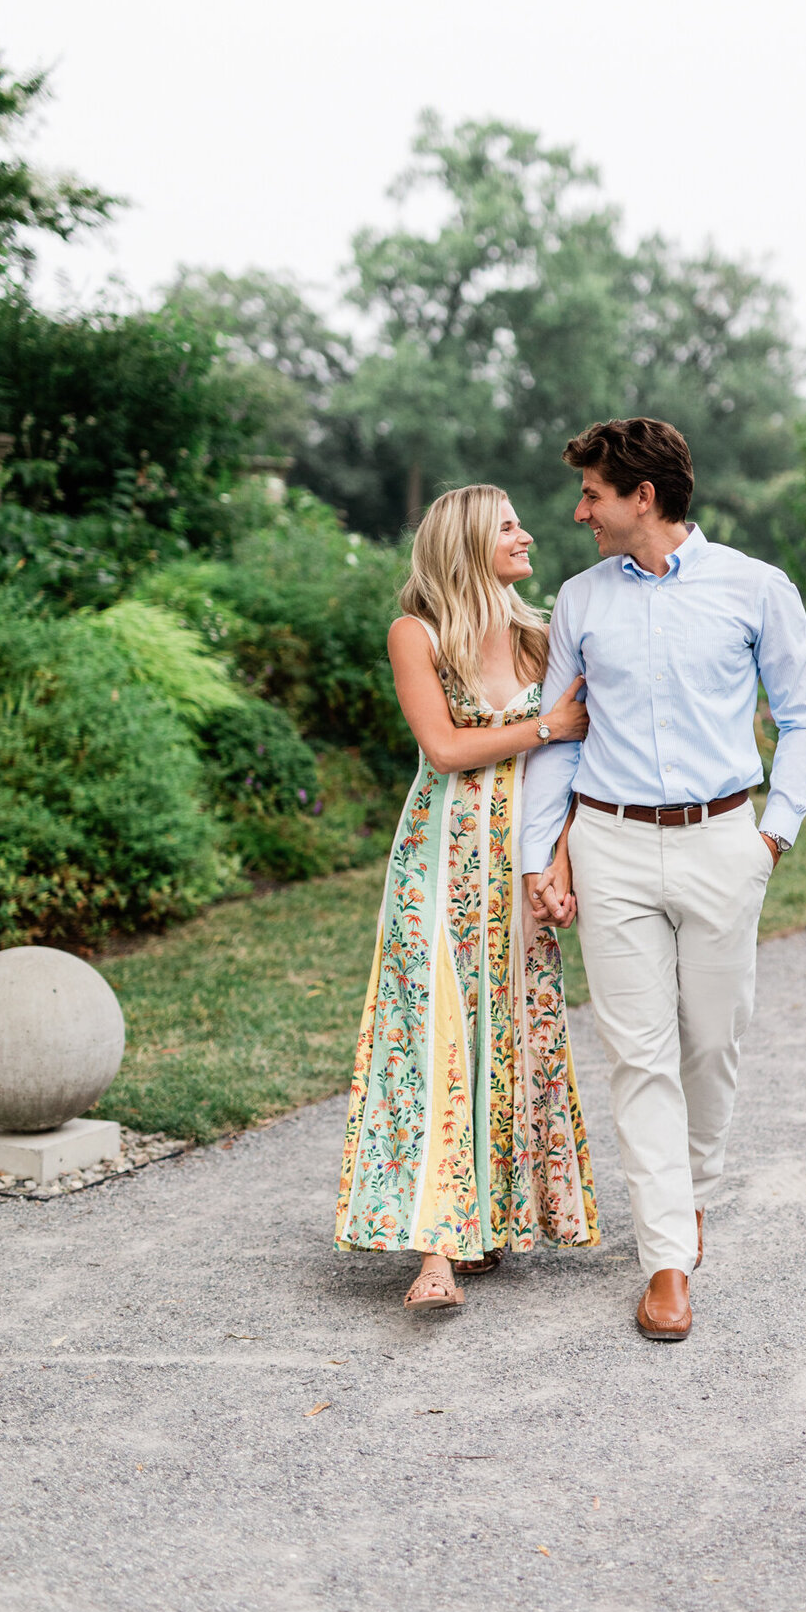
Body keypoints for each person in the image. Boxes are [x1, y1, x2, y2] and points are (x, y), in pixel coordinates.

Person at [521, 418, 806, 1341]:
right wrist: (541, 854)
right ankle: (665, 1257)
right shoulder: (580, 599)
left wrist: (772, 835)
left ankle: (691, 1191)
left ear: (642, 498)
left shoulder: (756, 587)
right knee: (638, 1054)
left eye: (593, 495)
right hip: (611, 846)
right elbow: (559, 733)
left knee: (711, 1040)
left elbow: (805, 718)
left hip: (724, 841)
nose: (581, 513)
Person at [334, 484, 599, 1311]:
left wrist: (559, 867)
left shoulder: (540, 637)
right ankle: (437, 1254)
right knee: (433, 1037)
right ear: (469, 541)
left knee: (510, 1032)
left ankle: (486, 1222)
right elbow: (446, 749)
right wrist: (547, 725)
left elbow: (574, 770)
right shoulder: (415, 634)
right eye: (508, 526)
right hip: (436, 866)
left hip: (519, 864)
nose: (527, 536)